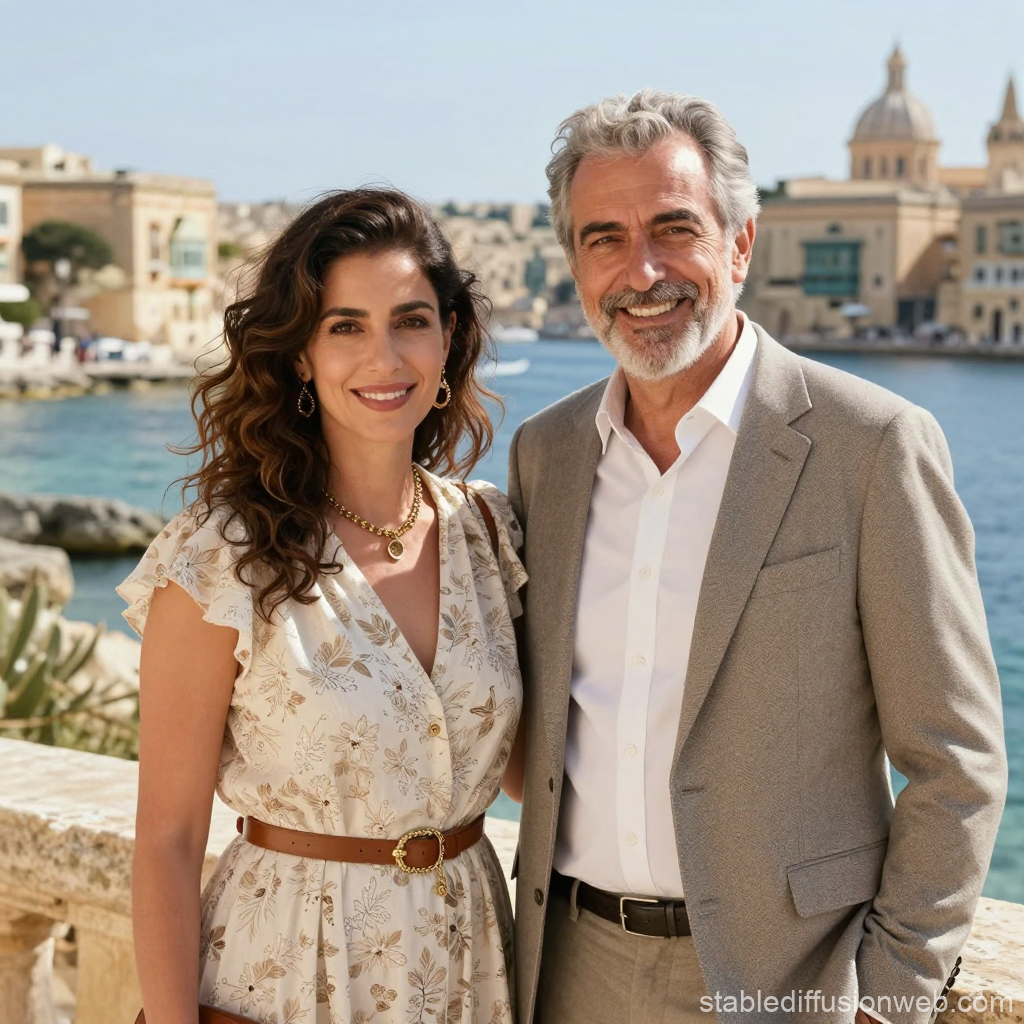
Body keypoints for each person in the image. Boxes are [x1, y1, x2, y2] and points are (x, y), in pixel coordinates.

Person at [506, 91, 1007, 1024]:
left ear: (740, 244)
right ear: (573, 261)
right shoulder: (547, 453)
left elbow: (956, 759)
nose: (640, 270)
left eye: (673, 228)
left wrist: (889, 998)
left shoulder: (872, 445)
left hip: (784, 977)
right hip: (563, 965)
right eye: (603, 237)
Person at [119, 189, 527, 1024]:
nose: (385, 358)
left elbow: (529, 766)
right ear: (301, 354)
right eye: (346, 326)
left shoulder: (489, 531)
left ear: (448, 339)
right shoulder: (220, 556)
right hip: (291, 968)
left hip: (472, 965)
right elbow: (165, 839)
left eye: (411, 321)